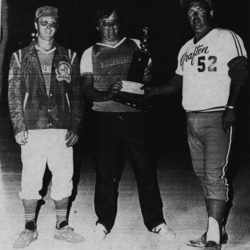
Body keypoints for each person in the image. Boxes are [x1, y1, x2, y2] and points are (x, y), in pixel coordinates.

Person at [146, 0, 248, 249]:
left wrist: (231, 107)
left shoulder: (225, 37)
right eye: (190, 11)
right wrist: (153, 91)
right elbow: (177, 83)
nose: (195, 15)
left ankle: (212, 239)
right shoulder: (185, 48)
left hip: (217, 117)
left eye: (200, 9)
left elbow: (241, 70)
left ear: (211, 12)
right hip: (192, 118)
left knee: (215, 176)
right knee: (203, 176)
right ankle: (217, 228)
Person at [80, 2, 176, 240]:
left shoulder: (135, 44)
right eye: (105, 23)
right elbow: (86, 89)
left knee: (145, 170)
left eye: (114, 22)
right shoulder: (89, 52)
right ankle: (103, 222)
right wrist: (107, 95)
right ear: (97, 25)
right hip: (104, 118)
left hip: (136, 117)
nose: (110, 28)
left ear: (119, 23)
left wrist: (147, 75)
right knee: (105, 174)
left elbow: (147, 77)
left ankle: (156, 222)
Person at [8, 6, 84, 248]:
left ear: (57, 26)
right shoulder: (20, 57)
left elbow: (78, 96)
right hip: (33, 128)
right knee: (31, 178)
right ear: (36, 25)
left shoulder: (70, 56)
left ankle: (62, 226)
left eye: (52, 23)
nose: (48, 27)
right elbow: (14, 95)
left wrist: (75, 125)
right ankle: (29, 229)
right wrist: (19, 125)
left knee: (64, 177)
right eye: (44, 22)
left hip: (61, 128)